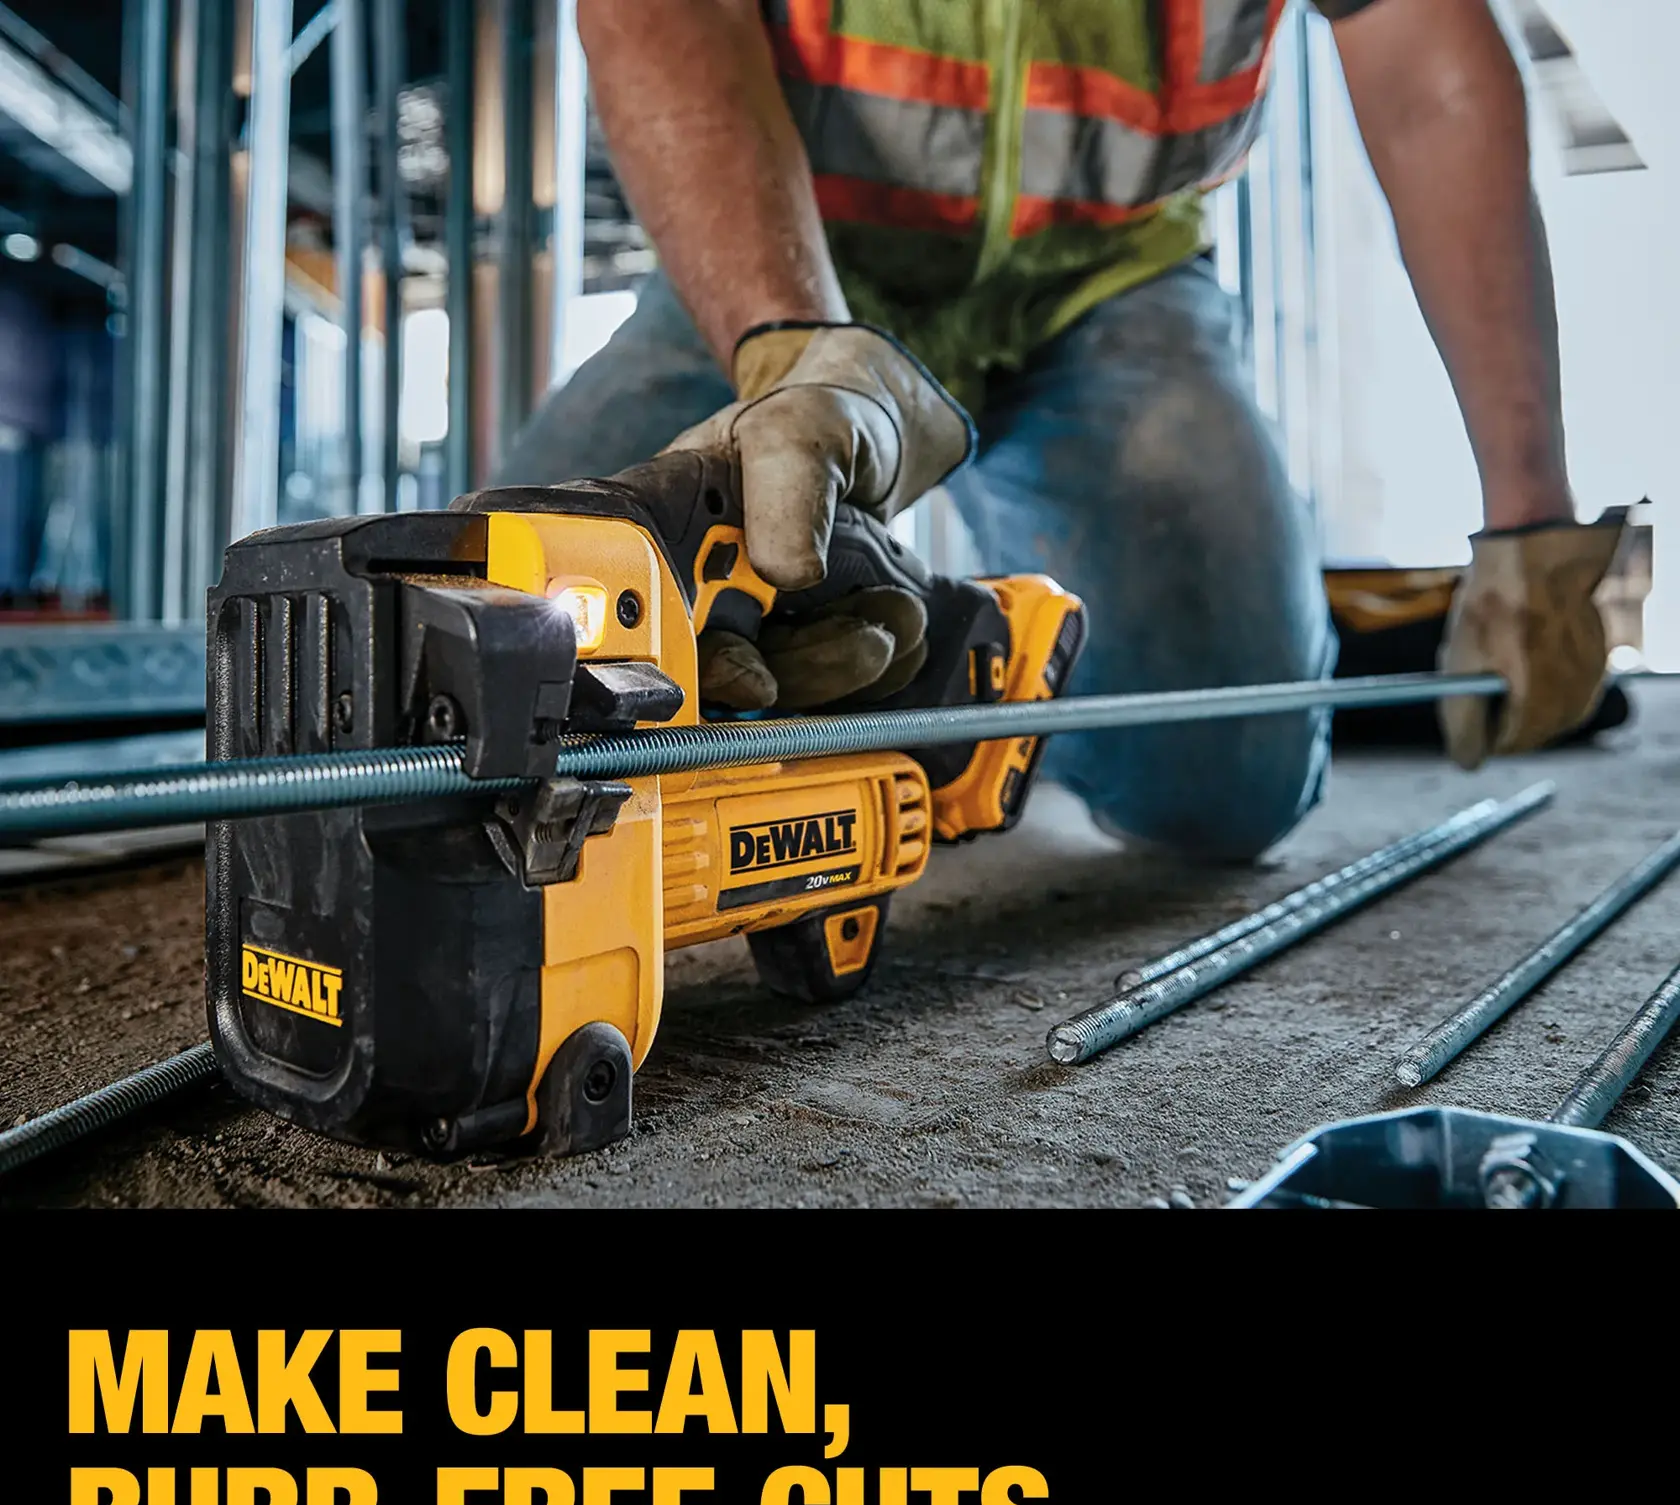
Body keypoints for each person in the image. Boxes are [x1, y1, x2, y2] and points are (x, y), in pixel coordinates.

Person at [498, 0, 1619, 861]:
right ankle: (923, 664)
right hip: (785, 246)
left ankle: (974, 678)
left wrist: (1531, 521)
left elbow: (1425, 65)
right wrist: (788, 348)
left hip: (1108, 277)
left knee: (1227, 781)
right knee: (499, 660)